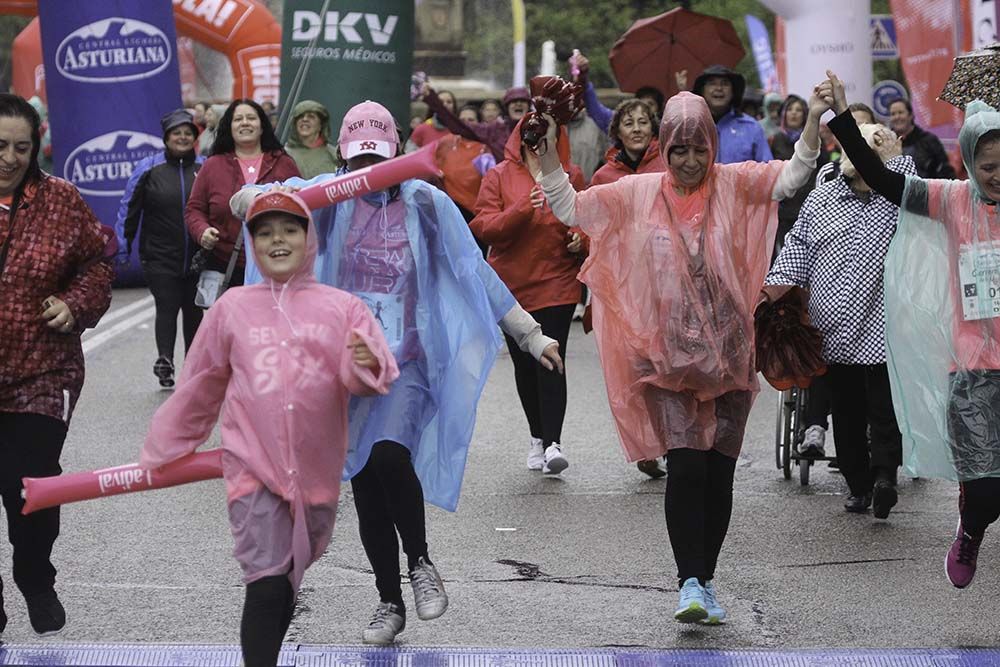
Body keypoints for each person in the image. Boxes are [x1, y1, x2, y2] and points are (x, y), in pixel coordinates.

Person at [231, 100, 564, 645]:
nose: (369, 172)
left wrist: (529, 334)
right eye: (359, 158)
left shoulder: (426, 206)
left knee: (389, 454)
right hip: (342, 374)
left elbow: (471, 269)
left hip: (405, 363)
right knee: (364, 482)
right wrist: (252, 198)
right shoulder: (326, 200)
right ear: (344, 153)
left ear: (396, 154)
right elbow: (263, 205)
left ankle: (421, 562)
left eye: (378, 158)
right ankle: (388, 599)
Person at [534, 83, 827, 624]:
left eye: (699, 150)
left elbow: (791, 177)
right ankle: (688, 580)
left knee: (719, 474)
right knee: (687, 466)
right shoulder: (638, 193)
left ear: (713, 147)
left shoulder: (736, 185)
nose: (690, 161)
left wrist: (812, 120)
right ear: (664, 149)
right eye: (678, 151)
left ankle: (706, 578)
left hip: (731, 354)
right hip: (666, 357)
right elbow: (572, 207)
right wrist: (549, 151)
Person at [141, 190, 398, 667]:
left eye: (289, 229)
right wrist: (165, 448)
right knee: (264, 580)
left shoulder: (342, 308)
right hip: (252, 467)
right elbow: (201, 383)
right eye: (264, 232)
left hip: (316, 474)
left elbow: (368, 375)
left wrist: (365, 363)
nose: (277, 240)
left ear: (308, 238)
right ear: (253, 245)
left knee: (284, 582)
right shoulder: (232, 308)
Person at [824, 72, 1000, 589]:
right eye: (989, 168)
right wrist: (840, 119)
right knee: (989, 491)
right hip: (973, 370)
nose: (999, 176)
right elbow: (881, 180)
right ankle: (970, 528)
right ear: (970, 164)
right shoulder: (950, 200)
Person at [0, 93, 115, 638]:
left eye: (21, 147)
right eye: (0, 146)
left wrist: (76, 304)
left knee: (28, 486)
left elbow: (98, 262)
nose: (10, 157)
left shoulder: (60, 199)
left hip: (42, 373)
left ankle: (34, 574)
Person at [766, 121, 916, 518]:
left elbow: (906, 176)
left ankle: (885, 476)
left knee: (885, 409)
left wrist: (888, 151)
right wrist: (775, 288)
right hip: (831, 326)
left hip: (885, 322)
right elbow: (797, 247)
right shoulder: (822, 200)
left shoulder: (895, 197)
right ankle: (858, 483)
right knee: (847, 411)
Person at [471, 119, 586, 475]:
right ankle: (537, 436)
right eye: (532, 136)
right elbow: (484, 228)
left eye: (547, 136)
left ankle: (554, 443)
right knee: (525, 365)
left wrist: (581, 240)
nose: (538, 142)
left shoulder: (571, 174)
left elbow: (589, 219)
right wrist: (523, 208)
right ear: (519, 139)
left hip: (557, 283)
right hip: (512, 288)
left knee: (552, 358)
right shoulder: (499, 176)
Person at [589, 99, 666, 479]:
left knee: (666, 360)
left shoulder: (669, 167)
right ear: (617, 131)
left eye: (643, 122)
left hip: (666, 279)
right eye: (628, 122)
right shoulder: (604, 176)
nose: (636, 128)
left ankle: (670, 433)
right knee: (634, 366)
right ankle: (646, 442)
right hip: (623, 284)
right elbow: (587, 216)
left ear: (654, 129)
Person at [117, 109, 205, 388]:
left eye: (187, 133)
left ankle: (193, 366)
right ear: (166, 138)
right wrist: (122, 247)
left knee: (194, 311)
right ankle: (165, 361)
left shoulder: (205, 168)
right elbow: (129, 209)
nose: (182, 137)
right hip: (159, 255)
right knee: (166, 306)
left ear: (194, 137)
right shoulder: (147, 169)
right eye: (176, 133)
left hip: (198, 256)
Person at [186, 99, 300, 289]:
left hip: (276, 265)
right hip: (225, 265)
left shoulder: (284, 163)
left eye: (251, 118)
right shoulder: (212, 166)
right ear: (229, 127)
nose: (245, 123)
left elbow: (301, 207)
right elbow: (194, 209)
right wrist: (202, 231)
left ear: (262, 126)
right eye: (238, 119)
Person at [770, 95, 830, 254]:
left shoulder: (814, 139)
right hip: (784, 209)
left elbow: (825, 169)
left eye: (798, 110)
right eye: (790, 109)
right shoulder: (776, 140)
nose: (794, 113)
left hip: (810, 208)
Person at [421, 84, 531, 161]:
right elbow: (459, 126)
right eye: (514, 101)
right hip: (505, 186)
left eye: (522, 101)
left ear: (529, 106)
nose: (518, 104)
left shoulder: (539, 128)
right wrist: (433, 100)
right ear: (506, 107)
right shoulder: (493, 130)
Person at [693, 65, 773, 164]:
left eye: (725, 84)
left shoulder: (752, 128)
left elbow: (768, 170)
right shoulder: (692, 126)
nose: (719, 88)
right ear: (702, 91)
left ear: (733, 91)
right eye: (712, 83)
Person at [572, 52, 664, 134]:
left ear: (659, 111)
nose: (636, 130)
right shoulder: (618, 120)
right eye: (640, 103)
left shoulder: (664, 139)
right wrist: (583, 78)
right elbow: (593, 106)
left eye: (650, 104)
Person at [887, 97, 957, 179]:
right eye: (893, 114)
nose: (897, 117)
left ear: (910, 115)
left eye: (900, 112)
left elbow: (946, 171)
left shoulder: (929, 140)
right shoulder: (887, 144)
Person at [284, 100, 339, 180]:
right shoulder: (284, 155)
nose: (305, 119)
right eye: (300, 116)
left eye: (311, 116)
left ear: (321, 125)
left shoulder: (333, 155)